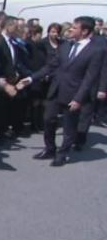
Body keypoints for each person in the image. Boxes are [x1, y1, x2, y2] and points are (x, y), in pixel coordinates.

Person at [19, 16, 104, 167]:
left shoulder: (96, 51)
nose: (70, 29)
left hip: (74, 93)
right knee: (48, 119)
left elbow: (89, 78)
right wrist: (31, 78)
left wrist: (78, 99)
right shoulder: (65, 46)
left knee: (69, 126)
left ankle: (63, 154)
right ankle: (50, 148)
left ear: (84, 31)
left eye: (74, 27)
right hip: (56, 90)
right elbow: (50, 66)